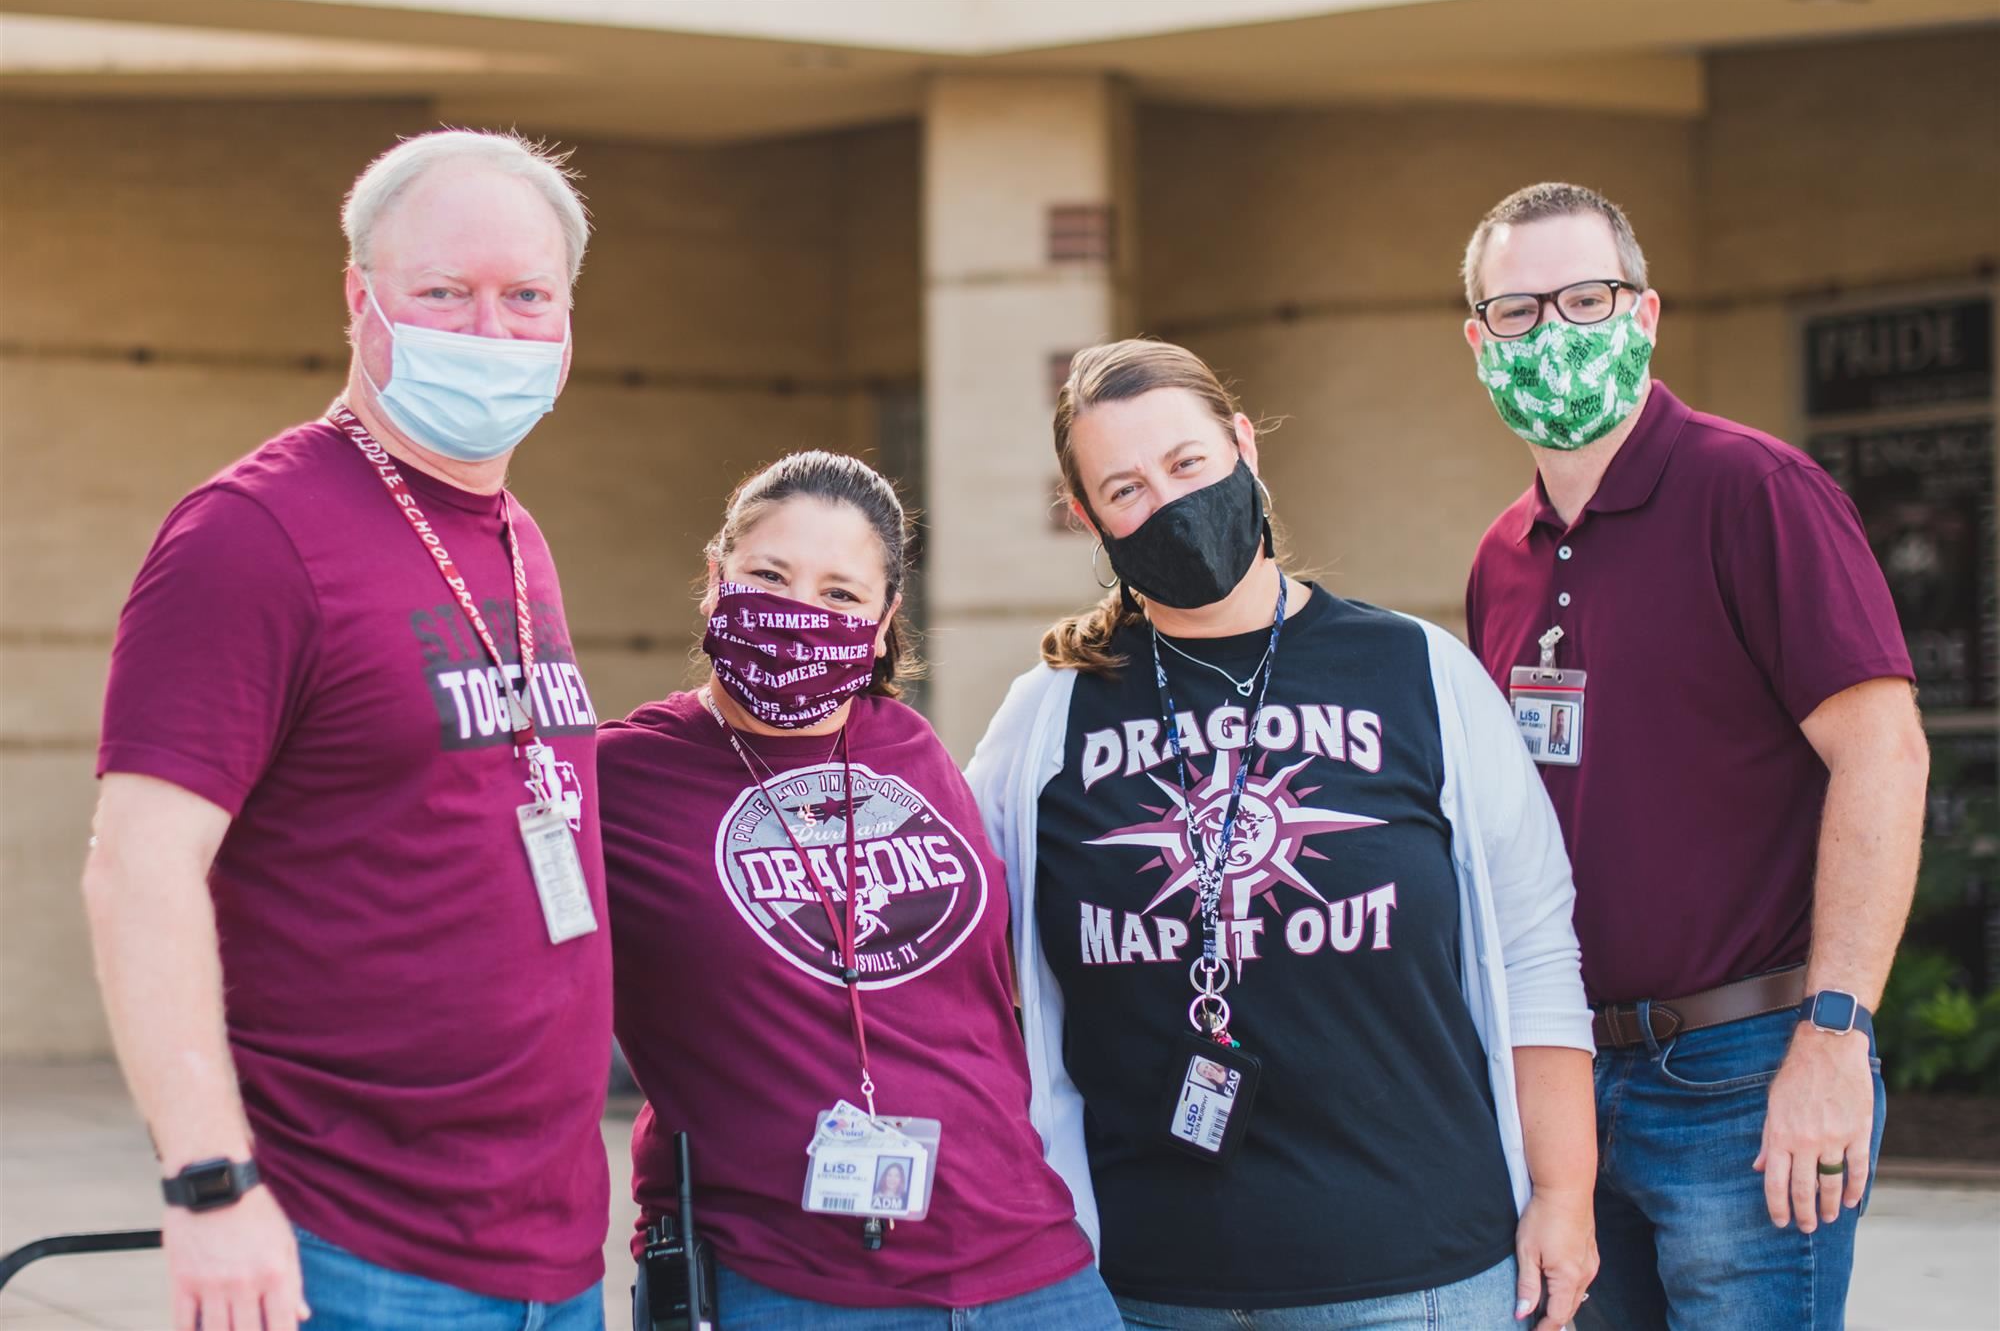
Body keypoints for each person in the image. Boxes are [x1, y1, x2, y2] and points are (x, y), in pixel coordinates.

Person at [83, 130, 611, 1331]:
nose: (490, 331)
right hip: (350, 1247)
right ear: (359, 300)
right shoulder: (249, 537)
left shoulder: (515, 538)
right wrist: (210, 1185)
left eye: (527, 297)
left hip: (553, 1248)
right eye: (444, 294)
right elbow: (138, 871)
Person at [967, 339, 1599, 1330]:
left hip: (1418, 1279)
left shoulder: (1416, 672)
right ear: (1086, 519)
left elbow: (1533, 950)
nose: (1169, 505)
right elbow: (960, 960)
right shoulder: (1046, 717)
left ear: (1242, 447)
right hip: (1139, 1286)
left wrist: (1563, 1196)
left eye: (1187, 465)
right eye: (1124, 488)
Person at [1458, 182, 1930, 1331]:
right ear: (1476, 340)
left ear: (1646, 312)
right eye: (1518, 312)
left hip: (1743, 1073)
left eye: (1585, 299)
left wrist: (1831, 1039)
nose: (1553, 333)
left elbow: (1883, 756)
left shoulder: (1753, 492)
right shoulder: (1499, 558)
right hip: (1567, 1084)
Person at [597, 451, 1121, 1329]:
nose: (802, 611)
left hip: (1031, 1268)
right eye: (770, 575)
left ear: (881, 626)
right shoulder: (623, 775)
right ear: (714, 582)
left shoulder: (909, 748)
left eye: (840, 594)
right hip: (786, 1284)